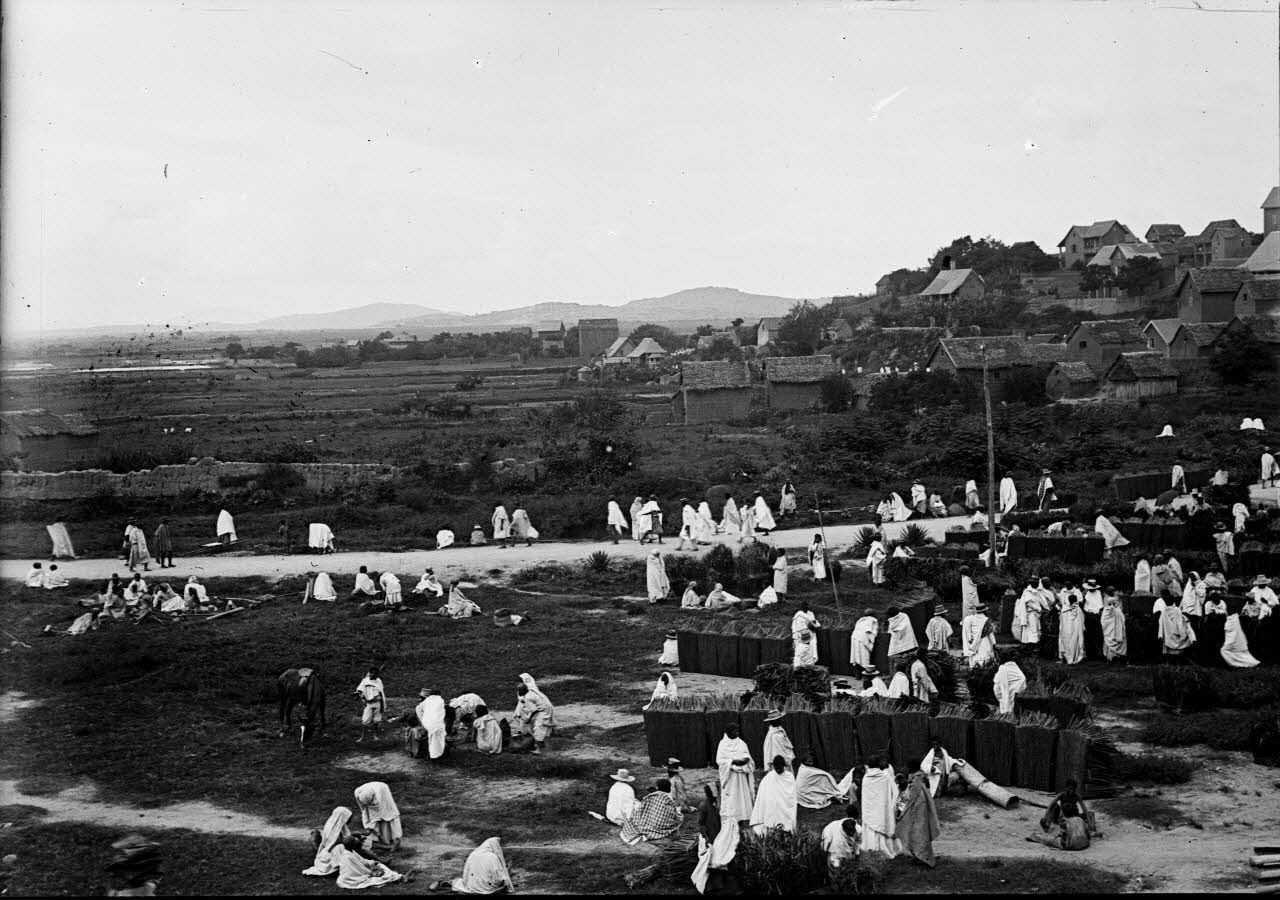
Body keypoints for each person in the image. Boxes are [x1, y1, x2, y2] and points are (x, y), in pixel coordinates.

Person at [894, 768, 940, 868]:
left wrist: (901, 814)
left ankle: (924, 859)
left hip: (918, 814)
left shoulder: (915, 782)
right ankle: (919, 857)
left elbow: (910, 800)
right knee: (916, 835)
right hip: (919, 813)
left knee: (919, 835)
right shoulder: (920, 780)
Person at [1031, 780, 1091, 851]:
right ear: (1066, 788)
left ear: (1075, 789)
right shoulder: (1061, 795)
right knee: (1054, 806)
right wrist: (1045, 817)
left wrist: (1090, 823)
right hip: (1064, 816)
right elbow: (1051, 805)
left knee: (1090, 814)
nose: (1071, 790)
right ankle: (1047, 825)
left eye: (1073, 789)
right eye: (1069, 788)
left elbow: (1084, 808)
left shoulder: (1076, 796)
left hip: (1073, 815)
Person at [860, 756, 902, 857]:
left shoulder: (865, 778)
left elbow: (865, 796)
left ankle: (870, 847)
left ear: (869, 765)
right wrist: (891, 804)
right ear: (879, 764)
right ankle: (885, 847)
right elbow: (894, 792)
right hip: (882, 808)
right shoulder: (886, 776)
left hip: (869, 810)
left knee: (871, 826)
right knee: (882, 823)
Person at [715, 724, 755, 823]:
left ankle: (743, 817)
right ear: (728, 732)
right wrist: (732, 762)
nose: (737, 733)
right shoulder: (723, 744)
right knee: (732, 797)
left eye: (738, 731)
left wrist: (745, 759)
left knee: (742, 796)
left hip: (741, 777)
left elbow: (746, 754)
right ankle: (732, 819)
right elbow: (720, 760)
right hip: (730, 776)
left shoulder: (741, 743)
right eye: (734, 731)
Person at [334, 834, 407, 889]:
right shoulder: (348, 856)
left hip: (350, 876)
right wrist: (371, 871)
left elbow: (362, 861)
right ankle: (399, 877)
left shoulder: (350, 851)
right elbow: (359, 869)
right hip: (352, 879)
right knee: (379, 873)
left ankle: (399, 876)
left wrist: (372, 862)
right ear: (352, 846)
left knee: (378, 865)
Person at [749, 755, 797, 834]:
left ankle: (786, 828)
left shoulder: (789, 777)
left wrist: (783, 801)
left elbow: (792, 796)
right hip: (773, 805)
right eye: (776, 768)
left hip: (786, 806)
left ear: (784, 766)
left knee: (786, 821)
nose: (777, 770)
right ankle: (773, 826)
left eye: (780, 768)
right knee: (773, 810)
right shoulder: (769, 777)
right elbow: (763, 793)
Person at [448, 837, 513, 894]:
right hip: (488, 887)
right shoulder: (492, 856)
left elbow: (466, 872)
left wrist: (467, 883)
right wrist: (504, 879)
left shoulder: (473, 853)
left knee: (459, 881)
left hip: (471, 885)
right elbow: (498, 876)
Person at [303, 807, 355, 877]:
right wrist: (351, 840)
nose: (350, 819)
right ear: (342, 816)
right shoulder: (334, 827)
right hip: (330, 853)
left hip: (329, 849)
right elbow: (337, 842)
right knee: (342, 848)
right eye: (348, 817)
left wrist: (353, 837)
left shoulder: (336, 823)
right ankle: (340, 867)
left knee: (348, 846)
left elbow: (345, 836)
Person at [353, 782, 402, 851]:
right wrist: (368, 825)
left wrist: (370, 828)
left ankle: (392, 839)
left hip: (382, 790)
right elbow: (364, 810)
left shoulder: (379, 796)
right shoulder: (357, 792)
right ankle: (376, 839)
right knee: (368, 815)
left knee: (387, 814)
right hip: (371, 793)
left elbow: (377, 813)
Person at [515, 673, 555, 753]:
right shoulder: (529, 691)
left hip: (541, 710)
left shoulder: (528, 695)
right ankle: (539, 744)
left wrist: (529, 718)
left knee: (538, 728)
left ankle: (537, 748)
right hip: (539, 709)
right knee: (538, 727)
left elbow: (533, 709)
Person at [822, 805, 862, 882]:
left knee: (835, 876)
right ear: (858, 815)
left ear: (846, 814)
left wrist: (824, 850)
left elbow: (826, 841)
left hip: (835, 856)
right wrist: (856, 856)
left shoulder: (832, 825)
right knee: (847, 876)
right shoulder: (859, 829)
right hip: (849, 857)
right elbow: (858, 844)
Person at [355, 668, 386, 743]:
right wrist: (362, 697)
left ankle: (375, 735)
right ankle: (363, 737)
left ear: (377, 675)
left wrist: (382, 706)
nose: (373, 675)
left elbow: (380, 694)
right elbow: (359, 690)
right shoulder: (365, 681)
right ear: (370, 673)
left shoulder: (379, 681)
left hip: (377, 703)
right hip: (368, 704)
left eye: (375, 674)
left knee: (376, 720)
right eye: (371, 673)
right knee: (365, 721)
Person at [415, 688, 448, 760]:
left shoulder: (427, 700)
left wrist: (422, 719)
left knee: (433, 737)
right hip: (437, 724)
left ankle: (432, 754)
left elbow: (418, 708)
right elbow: (441, 713)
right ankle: (437, 755)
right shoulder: (440, 700)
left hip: (427, 723)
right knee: (438, 738)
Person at [1057, 594, 1084, 665]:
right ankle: (1071, 658)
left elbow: (1061, 619)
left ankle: (1070, 659)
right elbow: (1082, 621)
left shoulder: (1067, 608)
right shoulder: (1077, 609)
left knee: (1068, 643)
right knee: (1072, 642)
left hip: (1070, 630)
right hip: (1070, 630)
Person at [1100, 591, 1127, 662]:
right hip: (1115, 630)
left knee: (1109, 639)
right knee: (1115, 639)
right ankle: (1116, 656)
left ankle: (1110, 657)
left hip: (1109, 631)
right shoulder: (1118, 610)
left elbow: (1103, 621)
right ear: (1115, 602)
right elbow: (1123, 620)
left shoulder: (1105, 610)